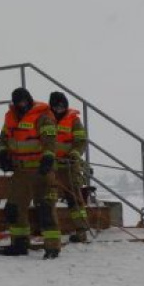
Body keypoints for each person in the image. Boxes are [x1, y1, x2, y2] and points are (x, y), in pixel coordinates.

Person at [0, 87, 61, 258]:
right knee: (15, 209)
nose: (22, 105)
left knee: (46, 209)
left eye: (25, 101)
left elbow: (50, 139)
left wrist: (48, 158)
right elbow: (3, 138)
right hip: (20, 171)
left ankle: (52, 247)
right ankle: (19, 244)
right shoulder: (10, 117)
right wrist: (2, 153)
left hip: (41, 170)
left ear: (30, 100)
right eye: (19, 102)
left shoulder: (43, 116)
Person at [48, 92, 90, 243]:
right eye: (56, 106)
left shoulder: (74, 120)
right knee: (48, 198)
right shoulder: (45, 119)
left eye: (62, 106)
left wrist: (74, 153)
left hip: (69, 165)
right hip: (50, 165)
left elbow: (81, 141)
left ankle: (81, 231)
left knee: (74, 198)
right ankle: (50, 231)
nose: (59, 109)